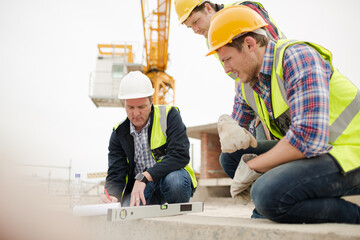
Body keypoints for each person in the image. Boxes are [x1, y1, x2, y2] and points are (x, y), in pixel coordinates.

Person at [207, 6, 360, 223]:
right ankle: (282, 199)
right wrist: (227, 126)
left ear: (249, 44)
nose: (226, 69)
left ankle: (352, 216)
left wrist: (253, 167)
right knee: (232, 158)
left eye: (227, 59)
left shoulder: (296, 57)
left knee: (266, 193)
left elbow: (307, 138)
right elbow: (237, 138)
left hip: (350, 151)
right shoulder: (247, 84)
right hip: (319, 152)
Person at [174, 0, 285, 140]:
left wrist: (265, 106)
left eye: (196, 22)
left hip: (282, 86)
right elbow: (239, 77)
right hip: (259, 97)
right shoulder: (211, 39)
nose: (195, 30)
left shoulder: (243, 10)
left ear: (208, 8)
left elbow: (270, 52)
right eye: (190, 27)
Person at [100, 71, 197, 207]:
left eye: (141, 107)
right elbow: (116, 171)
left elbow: (180, 155)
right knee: (128, 212)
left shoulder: (168, 116)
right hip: (141, 189)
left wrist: (145, 176)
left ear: (151, 101)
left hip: (169, 179)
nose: (136, 113)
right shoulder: (119, 133)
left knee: (175, 181)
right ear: (124, 104)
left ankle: (176, 216)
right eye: (130, 107)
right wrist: (112, 195)